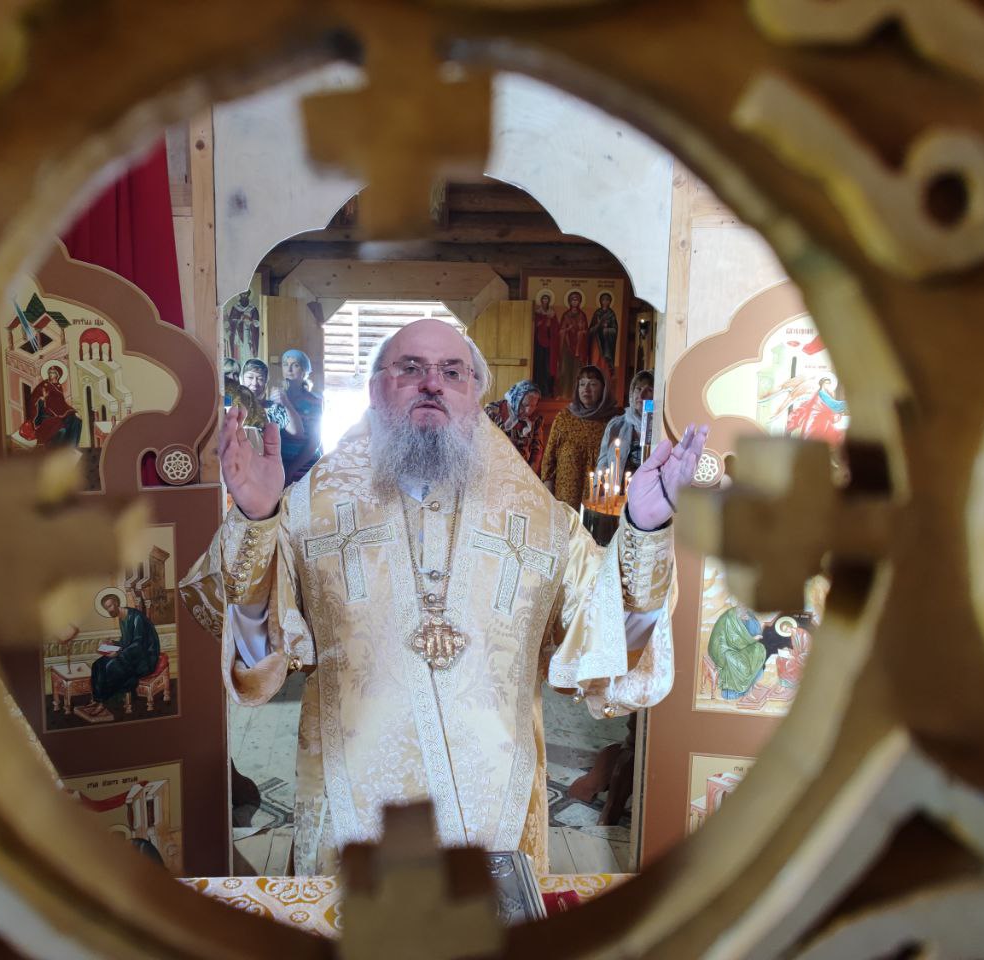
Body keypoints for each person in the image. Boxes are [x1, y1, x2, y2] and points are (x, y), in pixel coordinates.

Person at [180, 318, 706, 874]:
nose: (432, 382)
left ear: (475, 397)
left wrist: (645, 529)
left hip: (495, 811)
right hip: (351, 805)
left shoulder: (544, 525)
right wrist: (257, 518)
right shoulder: (311, 512)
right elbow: (255, 647)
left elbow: (610, 639)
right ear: (374, 389)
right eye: (410, 368)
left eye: (453, 372)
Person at [540, 365, 621, 510]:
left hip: (598, 498)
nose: (586, 389)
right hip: (565, 498)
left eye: (593, 384)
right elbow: (549, 457)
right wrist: (548, 492)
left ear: (604, 388)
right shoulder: (564, 417)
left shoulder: (614, 421)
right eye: (582, 384)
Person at [76, 591, 162, 720]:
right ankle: (97, 699)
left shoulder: (136, 617)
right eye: (106, 608)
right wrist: (113, 643)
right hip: (131, 655)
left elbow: (138, 644)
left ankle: (103, 703)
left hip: (145, 659)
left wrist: (119, 652)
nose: (109, 610)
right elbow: (127, 642)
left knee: (110, 667)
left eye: (110, 606)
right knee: (97, 665)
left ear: (116, 603)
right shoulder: (122, 617)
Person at [597, 370, 654, 481]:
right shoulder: (616, 425)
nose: (641, 395)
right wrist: (597, 484)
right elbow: (603, 460)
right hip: (619, 488)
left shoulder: (660, 428)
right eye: (638, 389)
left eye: (649, 390)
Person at [277, 349, 323, 486]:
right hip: (278, 466)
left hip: (304, 466)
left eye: (295, 365)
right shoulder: (276, 398)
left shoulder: (314, 401)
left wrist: (291, 470)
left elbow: (315, 441)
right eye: (285, 364)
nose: (289, 369)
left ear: (304, 371)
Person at [484, 379, 544, 470]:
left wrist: (530, 475)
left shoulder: (535, 419)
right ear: (516, 399)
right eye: (524, 404)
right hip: (493, 468)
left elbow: (537, 451)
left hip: (522, 471)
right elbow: (482, 443)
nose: (528, 411)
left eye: (532, 406)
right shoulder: (492, 411)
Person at [20, 363, 82, 447]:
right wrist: (41, 400)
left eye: (53, 373)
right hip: (45, 415)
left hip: (58, 413)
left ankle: (72, 446)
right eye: (49, 372)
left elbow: (62, 404)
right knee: (60, 424)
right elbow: (33, 400)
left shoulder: (58, 386)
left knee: (76, 420)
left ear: (58, 375)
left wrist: (74, 412)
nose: (50, 374)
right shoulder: (44, 385)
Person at [241, 359, 304, 440]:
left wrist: (286, 403)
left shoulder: (273, 409)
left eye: (260, 379)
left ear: (266, 382)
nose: (254, 383)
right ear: (241, 379)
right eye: (250, 377)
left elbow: (298, 432)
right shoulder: (234, 406)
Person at [557, 290, 588, 395]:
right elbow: (561, 331)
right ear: (569, 301)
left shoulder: (582, 315)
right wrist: (567, 329)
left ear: (579, 302)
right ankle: (565, 393)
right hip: (567, 346)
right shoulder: (566, 315)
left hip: (579, 348)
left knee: (577, 371)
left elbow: (586, 331)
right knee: (566, 370)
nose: (575, 302)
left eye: (577, 300)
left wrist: (581, 331)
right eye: (573, 300)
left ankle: (576, 394)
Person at [532, 292, 558, 396]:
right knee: (539, 365)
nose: (545, 301)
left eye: (547, 299)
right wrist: (543, 322)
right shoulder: (538, 313)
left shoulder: (552, 314)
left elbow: (555, 328)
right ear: (541, 301)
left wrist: (549, 325)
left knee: (548, 366)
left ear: (549, 301)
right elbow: (535, 325)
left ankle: (548, 390)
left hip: (549, 344)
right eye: (543, 299)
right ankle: (537, 388)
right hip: (539, 343)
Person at [588, 291, 619, 373]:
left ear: (610, 302)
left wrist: (607, 329)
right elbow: (590, 329)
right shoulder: (597, 313)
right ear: (600, 301)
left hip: (606, 343)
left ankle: (605, 376)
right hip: (596, 341)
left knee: (604, 363)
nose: (605, 302)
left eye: (607, 300)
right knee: (595, 360)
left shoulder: (611, 314)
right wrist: (598, 325)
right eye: (603, 300)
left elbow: (615, 330)